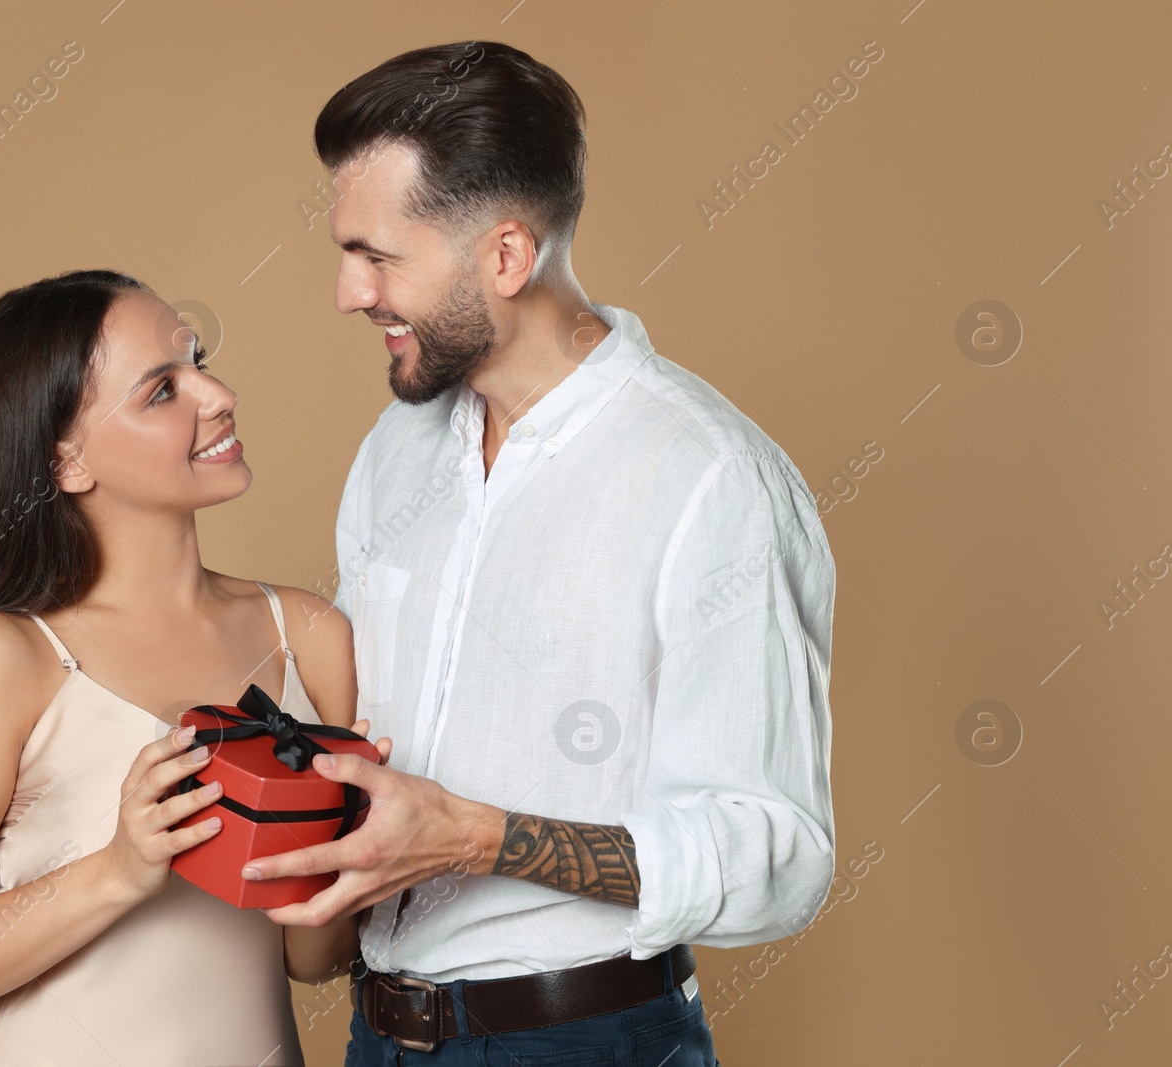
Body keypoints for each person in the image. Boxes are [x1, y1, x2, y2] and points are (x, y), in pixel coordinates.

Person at [240, 42, 838, 1065]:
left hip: (584, 1040)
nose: (347, 292)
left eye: (377, 257)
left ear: (506, 256)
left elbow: (777, 856)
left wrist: (480, 836)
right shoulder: (395, 449)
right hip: (377, 1035)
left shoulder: (710, 478)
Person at [0, 269, 388, 1066]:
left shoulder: (308, 633)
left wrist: (348, 841)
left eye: (198, 360)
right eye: (161, 391)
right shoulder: (1, 658)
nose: (218, 393)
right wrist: (117, 869)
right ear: (67, 460)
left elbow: (314, 962)